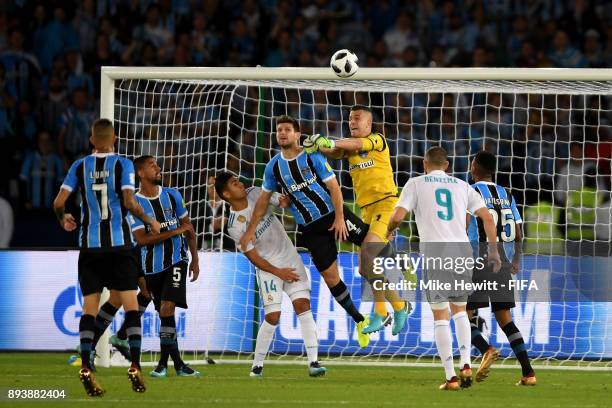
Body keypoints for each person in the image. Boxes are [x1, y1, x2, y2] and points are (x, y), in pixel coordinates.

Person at [239, 115, 371, 348]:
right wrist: (250, 231)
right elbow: (262, 200)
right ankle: (360, 321)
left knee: (375, 244)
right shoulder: (273, 167)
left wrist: (340, 217)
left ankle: (399, 301)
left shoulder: (311, 156)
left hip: (333, 216)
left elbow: (334, 187)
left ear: (297, 134)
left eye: (287, 129)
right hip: (310, 230)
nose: (282, 133)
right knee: (331, 279)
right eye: (279, 129)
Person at [53, 119, 161, 396]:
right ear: (114, 138)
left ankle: (86, 365)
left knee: (89, 309)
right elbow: (127, 201)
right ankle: (135, 364)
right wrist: (149, 219)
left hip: (90, 248)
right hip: (120, 246)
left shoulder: (79, 166)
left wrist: (63, 217)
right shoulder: (123, 164)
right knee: (130, 306)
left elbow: (58, 203)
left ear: (91, 140)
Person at [386, 147, 501, 391]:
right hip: (461, 253)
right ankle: (467, 364)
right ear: (447, 165)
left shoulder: (415, 184)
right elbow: (488, 218)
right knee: (460, 311)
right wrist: (492, 251)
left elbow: (397, 216)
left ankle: (450, 378)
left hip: (435, 254)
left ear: (424, 163)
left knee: (440, 316)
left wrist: (389, 229)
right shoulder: (462, 186)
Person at [304, 105, 409, 335]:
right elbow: (336, 151)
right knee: (364, 268)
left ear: (369, 124)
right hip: (366, 211)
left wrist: (330, 142)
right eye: (350, 119)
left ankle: (381, 311)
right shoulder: (348, 147)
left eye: (357, 119)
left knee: (370, 251)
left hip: (386, 204)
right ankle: (400, 306)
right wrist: (318, 146)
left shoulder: (377, 140)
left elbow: (355, 144)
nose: (352, 122)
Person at [217, 172, 326, 377]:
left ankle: (313, 362)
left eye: (238, 180)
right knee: (273, 316)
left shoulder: (257, 192)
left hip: (290, 259)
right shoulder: (234, 225)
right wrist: (278, 272)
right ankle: (257, 365)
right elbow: (253, 256)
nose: (240, 183)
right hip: (269, 268)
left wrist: (285, 199)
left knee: (303, 306)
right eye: (234, 183)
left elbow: (280, 200)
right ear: (226, 194)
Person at [466, 151, 536, 386]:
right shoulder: (506, 194)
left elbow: (464, 225)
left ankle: (486, 350)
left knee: (462, 316)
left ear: (474, 167)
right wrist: (516, 259)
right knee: (505, 318)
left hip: (478, 260)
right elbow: (518, 230)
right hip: (503, 261)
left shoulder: (471, 192)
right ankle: (528, 373)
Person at [128, 155, 200, 377]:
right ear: (141, 173)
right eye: (152, 165)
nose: (158, 168)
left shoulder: (172, 195)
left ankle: (161, 364)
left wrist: (195, 260)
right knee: (164, 314)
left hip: (177, 259)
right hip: (151, 267)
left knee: (168, 308)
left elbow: (188, 228)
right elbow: (141, 239)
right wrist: (175, 231)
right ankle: (178, 365)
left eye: (157, 164)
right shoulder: (135, 204)